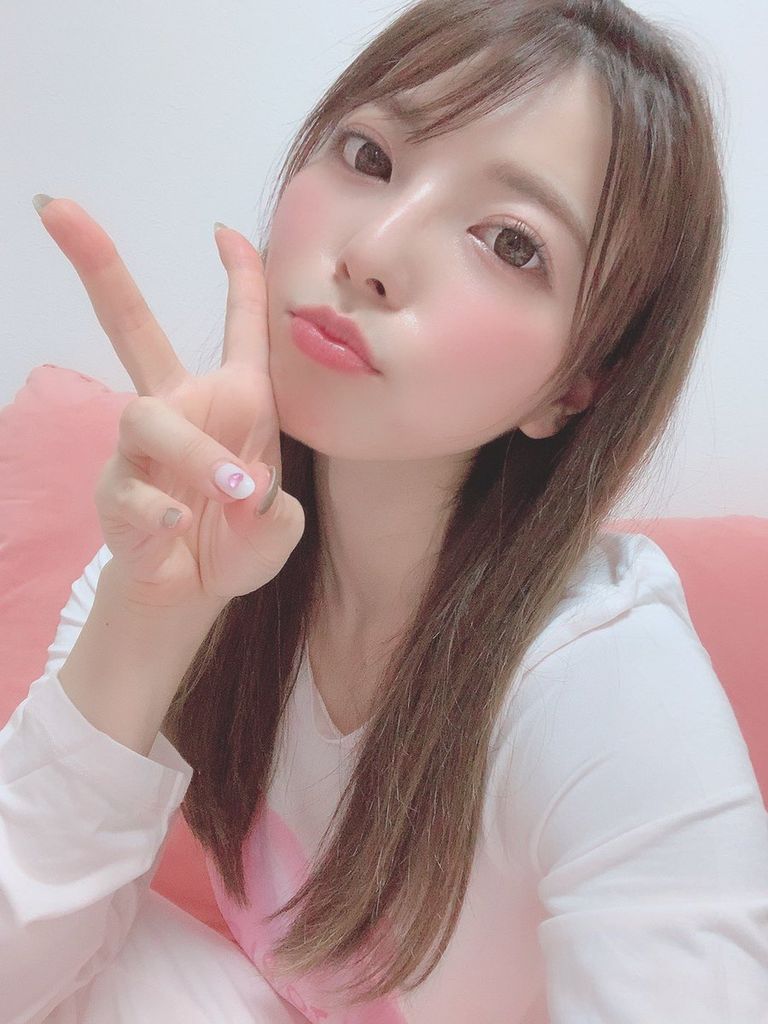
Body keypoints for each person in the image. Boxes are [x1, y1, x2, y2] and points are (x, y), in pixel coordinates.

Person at [2, 0, 767, 1021]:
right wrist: (149, 618)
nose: (375, 248)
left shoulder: (609, 687)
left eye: (511, 243)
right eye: (369, 155)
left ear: (577, 384)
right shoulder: (197, 530)